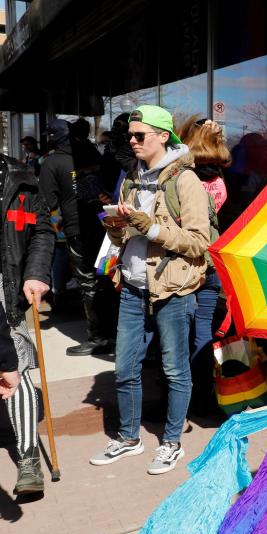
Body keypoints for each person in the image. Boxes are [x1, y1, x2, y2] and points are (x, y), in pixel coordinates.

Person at [88, 105, 210, 474]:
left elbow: (198, 243)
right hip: (132, 287)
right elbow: (126, 235)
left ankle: (172, 443)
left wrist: (151, 227)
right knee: (124, 369)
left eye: (140, 135)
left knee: (175, 371)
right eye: (130, 136)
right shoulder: (131, 177)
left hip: (173, 290)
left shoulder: (185, 181)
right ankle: (129, 438)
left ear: (163, 136)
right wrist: (115, 228)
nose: (133, 141)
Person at [0, 153, 55, 495]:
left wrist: (35, 273)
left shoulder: (22, 178)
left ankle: (28, 456)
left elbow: (43, 231)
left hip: (8, 287)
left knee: (14, 365)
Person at [38, 118, 111, 356]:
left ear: (51, 137)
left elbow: (47, 202)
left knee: (87, 281)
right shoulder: (91, 152)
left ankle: (98, 337)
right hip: (105, 225)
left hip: (77, 229)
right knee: (108, 278)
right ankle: (114, 334)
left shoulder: (52, 161)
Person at [177, 115, 230, 416]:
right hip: (212, 262)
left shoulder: (183, 178)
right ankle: (205, 394)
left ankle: (185, 394)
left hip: (185, 263)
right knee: (204, 331)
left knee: (177, 331)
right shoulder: (221, 177)